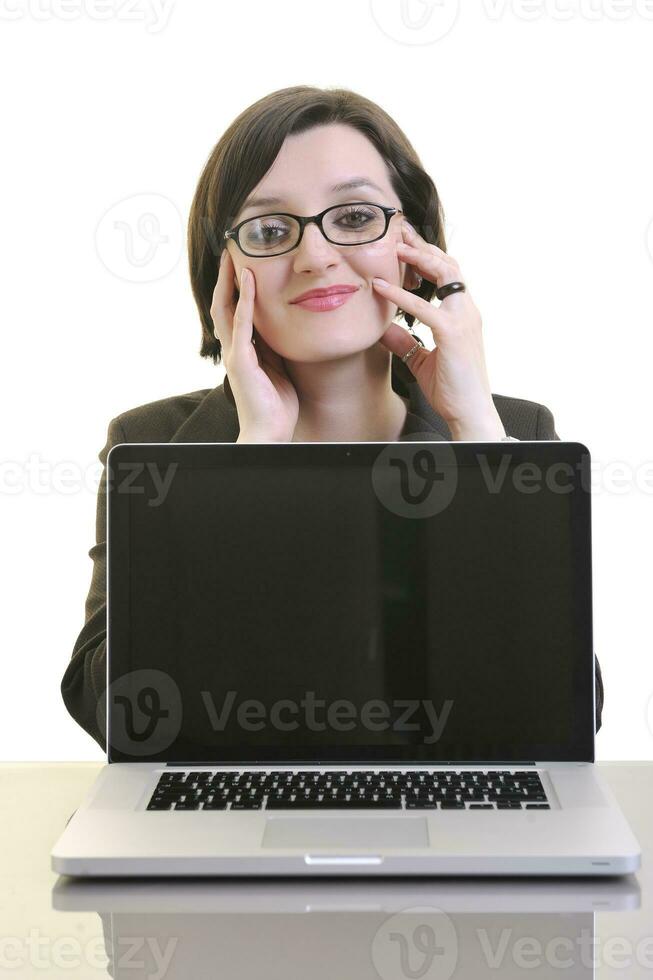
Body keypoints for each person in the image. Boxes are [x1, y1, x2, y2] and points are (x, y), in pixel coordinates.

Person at [61, 85, 603, 750]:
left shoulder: (508, 434)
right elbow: (113, 710)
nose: (315, 256)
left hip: (453, 820)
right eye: (268, 230)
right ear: (224, 271)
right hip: (230, 825)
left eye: (352, 217)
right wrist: (247, 461)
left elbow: (559, 707)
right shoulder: (151, 445)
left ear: (414, 242)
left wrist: (476, 438)